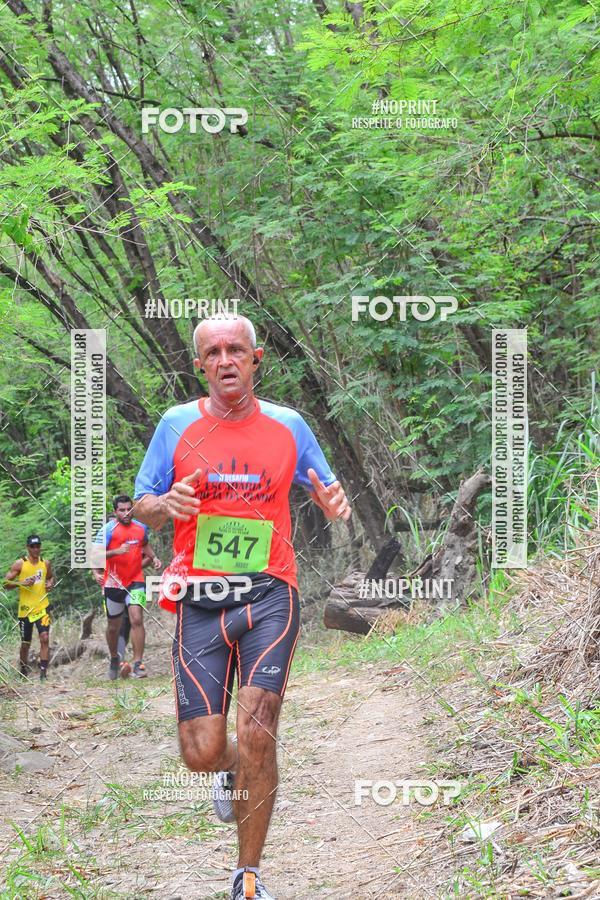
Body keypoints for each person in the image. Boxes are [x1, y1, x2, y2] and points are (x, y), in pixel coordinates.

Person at [134, 315, 351, 900]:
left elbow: (329, 493)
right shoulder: (176, 424)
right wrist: (165, 504)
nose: (226, 359)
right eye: (213, 352)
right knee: (201, 751)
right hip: (200, 601)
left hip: (269, 592)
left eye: (237, 350)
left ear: (257, 359)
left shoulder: (289, 425)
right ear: (199, 365)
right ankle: (230, 769)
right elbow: (141, 506)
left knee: (259, 729)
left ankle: (247, 875)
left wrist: (335, 505)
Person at [93, 495, 161, 680]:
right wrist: (114, 553)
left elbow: (145, 546)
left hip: (135, 581)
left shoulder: (140, 528)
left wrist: (154, 558)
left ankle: (138, 663)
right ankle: (115, 658)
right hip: (113, 582)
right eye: (122, 510)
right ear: (115, 512)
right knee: (114, 627)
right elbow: (95, 555)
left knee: (137, 618)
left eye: (129, 509)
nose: (126, 513)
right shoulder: (107, 530)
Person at [4, 535, 54, 680]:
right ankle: (23, 670)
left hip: (42, 608)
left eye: (38, 546)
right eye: (33, 546)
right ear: (28, 547)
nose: (36, 549)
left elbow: (50, 577)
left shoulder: (46, 563)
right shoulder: (20, 564)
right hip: (25, 610)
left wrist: (50, 583)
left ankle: (43, 674)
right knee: (25, 643)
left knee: (44, 638)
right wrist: (21, 583)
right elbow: (5, 584)